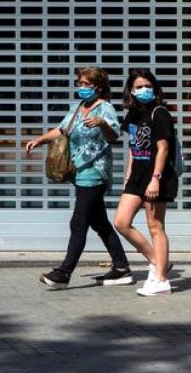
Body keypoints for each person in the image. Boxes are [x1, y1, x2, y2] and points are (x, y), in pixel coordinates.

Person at [24, 67, 131, 289]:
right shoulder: (78, 108)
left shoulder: (105, 109)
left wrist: (102, 123)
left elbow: (113, 136)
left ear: (98, 87)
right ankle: (121, 268)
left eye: (85, 84)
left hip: (95, 173)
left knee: (78, 222)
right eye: (79, 83)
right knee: (100, 223)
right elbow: (62, 130)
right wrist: (39, 140)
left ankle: (63, 273)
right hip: (78, 171)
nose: (81, 87)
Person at [113, 69, 179, 297]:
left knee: (155, 226)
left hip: (157, 178)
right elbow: (133, 148)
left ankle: (161, 280)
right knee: (121, 222)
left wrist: (155, 180)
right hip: (137, 177)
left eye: (147, 86)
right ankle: (156, 259)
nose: (144, 90)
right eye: (139, 87)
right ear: (130, 91)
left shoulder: (160, 113)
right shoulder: (132, 114)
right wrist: (127, 178)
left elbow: (163, 149)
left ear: (155, 88)